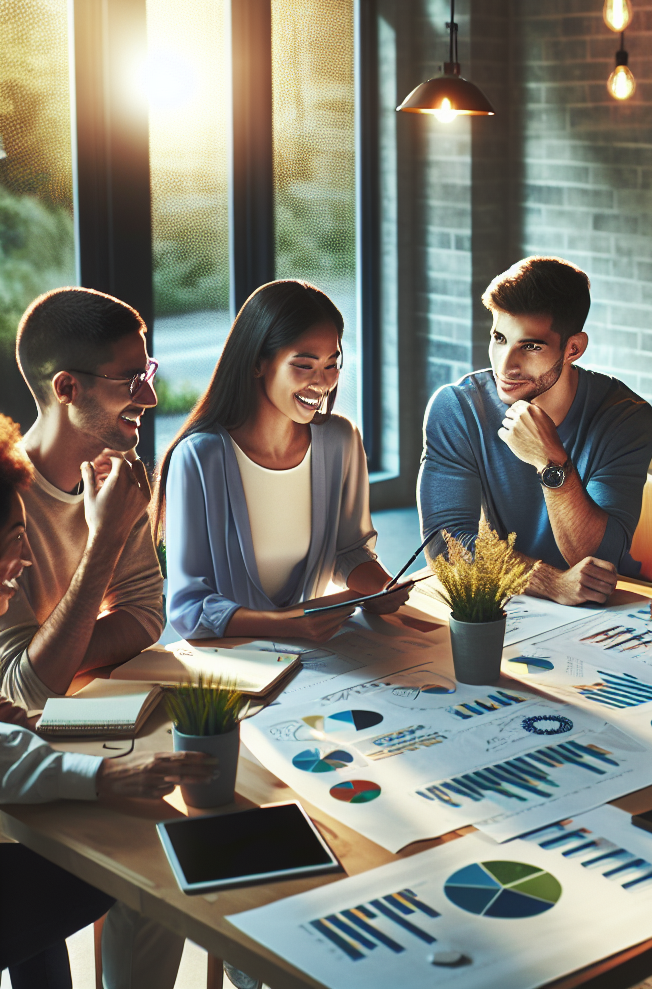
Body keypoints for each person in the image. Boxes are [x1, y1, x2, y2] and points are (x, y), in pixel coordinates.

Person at [0, 412, 217, 989]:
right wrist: (105, 777)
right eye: (14, 545)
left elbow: (146, 614)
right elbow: (24, 692)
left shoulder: (114, 480)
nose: (22, 566)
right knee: (151, 862)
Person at [158, 279, 410, 642]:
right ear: (258, 363)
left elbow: (349, 551)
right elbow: (188, 608)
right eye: (305, 365)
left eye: (332, 364)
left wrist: (382, 587)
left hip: (320, 659)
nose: (322, 383)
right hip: (234, 664)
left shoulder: (341, 441)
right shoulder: (199, 458)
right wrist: (287, 625)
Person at [417, 256, 652, 606]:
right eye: (499, 338)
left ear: (573, 348)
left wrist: (551, 461)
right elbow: (445, 547)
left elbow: (596, 560)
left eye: (530, 346)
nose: (506, 365)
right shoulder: (458, 409)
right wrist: (550, 582)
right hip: (515, 602)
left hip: (605, 612)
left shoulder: (624, 418)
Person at [2, 287, 163, 710]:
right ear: (68, 388)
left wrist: (58, 657)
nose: (150, 397)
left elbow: (146, 614)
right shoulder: (4, 499)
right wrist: (105, 538)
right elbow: (25, 693)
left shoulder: (118, 466)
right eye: (131, 380)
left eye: (146, 375)